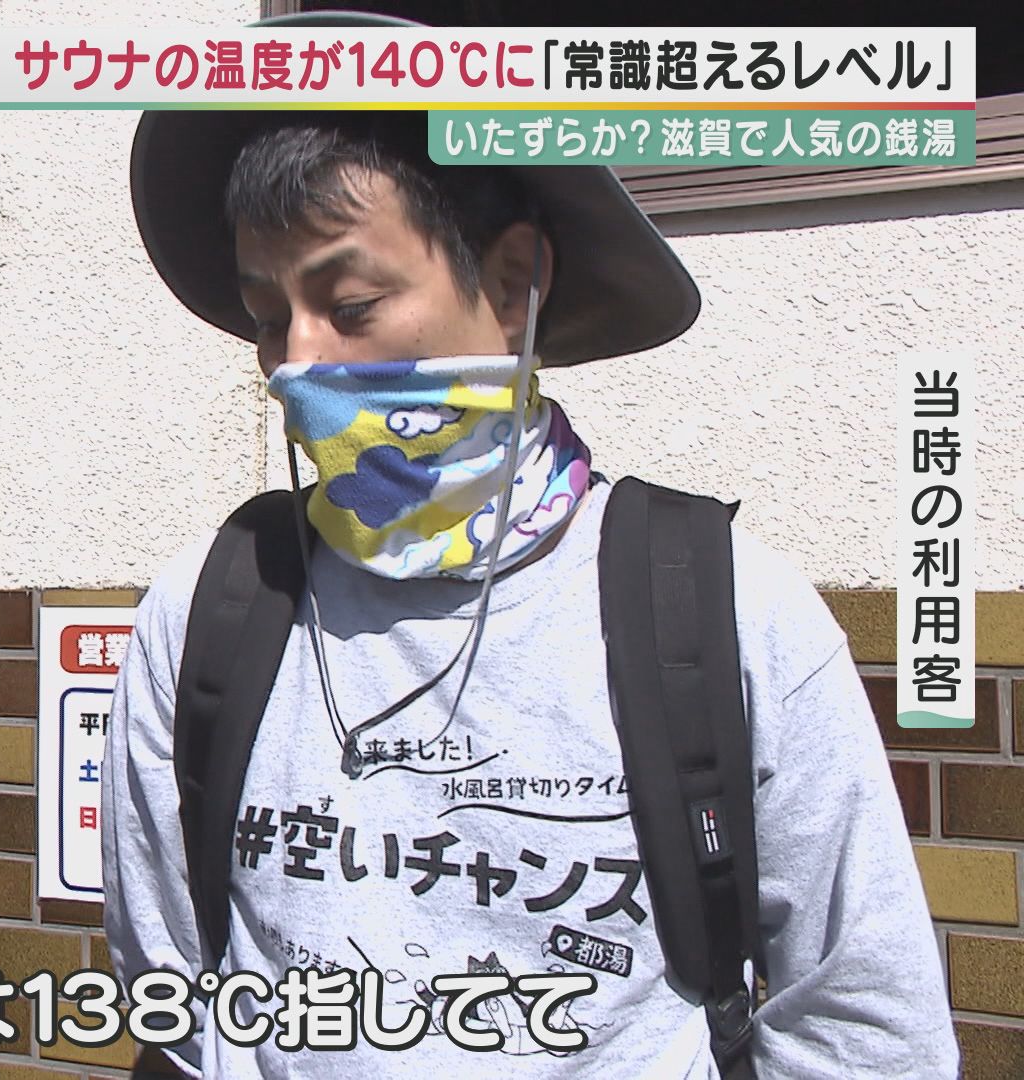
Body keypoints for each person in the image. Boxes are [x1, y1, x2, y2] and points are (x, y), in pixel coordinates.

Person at [101, 11, 956, 1078]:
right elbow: (175, 1000)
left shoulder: (726, 612)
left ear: (511, 287)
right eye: (269, 316)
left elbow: (869, 1032)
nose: (293, 363)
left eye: (350, 305)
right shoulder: (207, 612)